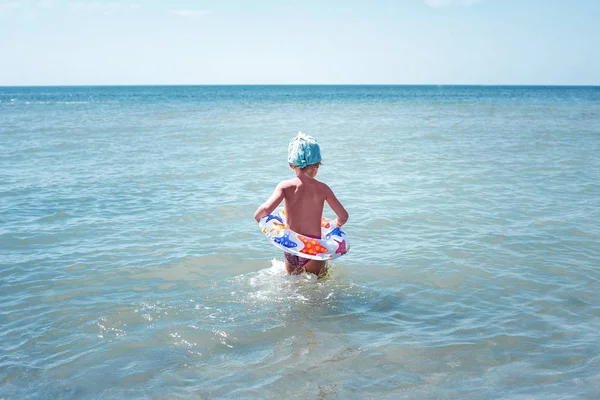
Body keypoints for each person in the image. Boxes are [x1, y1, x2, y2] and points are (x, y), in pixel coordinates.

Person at [254, 132, 348, 277]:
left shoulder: (285, 186)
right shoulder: (323, 188)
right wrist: (335, 225)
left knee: (294, 284)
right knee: (318, 289)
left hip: (292, 250)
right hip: (314, 251)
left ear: (291, 165)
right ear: (318, 165)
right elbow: (343, 216)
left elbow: (264, 210)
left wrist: (258, 218)